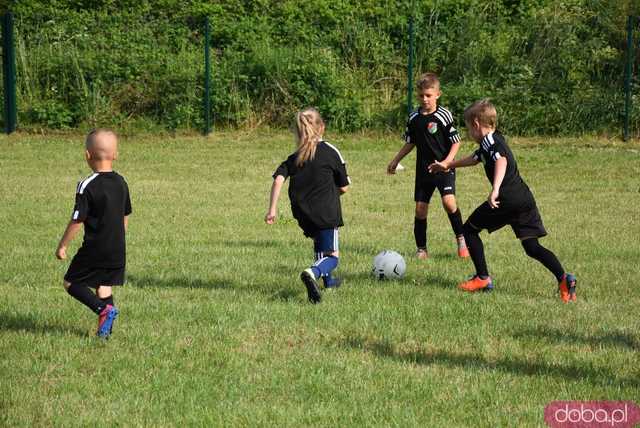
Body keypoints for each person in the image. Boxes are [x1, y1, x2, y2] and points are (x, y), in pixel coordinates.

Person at [428, 99, 577, 302]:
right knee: (531, 246)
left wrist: (496, 189)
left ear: (476, 124)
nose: (469, 133)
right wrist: (448, 165)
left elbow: (501, 160)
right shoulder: (493, 139)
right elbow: (475, 158)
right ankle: (564, 279)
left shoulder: (491, 142)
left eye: (468, 128)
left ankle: (482, 278)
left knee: (469, 230)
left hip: (505, 199)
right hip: (524, 199)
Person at [265, 108, 350, 304]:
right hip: (326, 212)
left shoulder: (295, 157)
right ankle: (312, 272)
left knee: (321, 247)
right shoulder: (330, 151)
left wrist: (272, 210)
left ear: (297, 132)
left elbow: (278, 179)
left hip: (302, 213)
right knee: (333, 256)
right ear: (321, 127)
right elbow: (344, 187)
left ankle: (328, 282)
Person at [56, 129, 132, 337]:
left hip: (95, 248)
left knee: (71, 282)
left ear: (87, 155)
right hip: (118, 248)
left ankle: (102, 309)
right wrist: (119, 238)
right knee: (104, 286)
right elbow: (125, 214)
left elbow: (78, 219)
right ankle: (104, 333)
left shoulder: (86, 185)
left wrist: (63, 245)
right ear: (115, 155)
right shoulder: (121, 182)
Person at [387, 72, 469, 260]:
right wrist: (396, 160)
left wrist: (448, 161)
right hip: (423, 170)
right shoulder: (414, 117)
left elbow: (456, 141)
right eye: (421, 95)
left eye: (429, 95)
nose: (425, 99)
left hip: (443, 167)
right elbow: (410, 142)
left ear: (437, 94)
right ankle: (422, 249)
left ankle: (461, 239)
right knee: (420, 209)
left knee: (449, 203)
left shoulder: (444, 115)